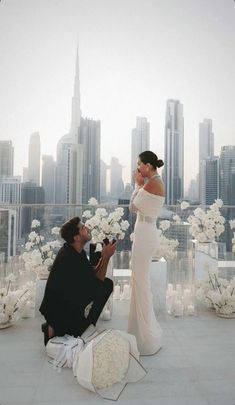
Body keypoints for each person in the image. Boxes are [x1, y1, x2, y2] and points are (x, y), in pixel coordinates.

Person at [40, 217, 116, 346]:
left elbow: (91, 274)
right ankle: (55, 329)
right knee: (102, 287)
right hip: (61, 314)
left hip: (67, 306)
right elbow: (96, 286)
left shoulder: (74, 250)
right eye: (82, 228)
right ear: (76, 237)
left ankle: (70, 326)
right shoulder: (70, 258)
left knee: (107, 284)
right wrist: (107, 257)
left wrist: (103, 256)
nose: (86, 228)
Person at [128, 150, 165, 355]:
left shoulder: (152, 182)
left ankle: (146, 337)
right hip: (144, 232)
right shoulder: (153, 181)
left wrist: (137, 184)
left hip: (145, 234)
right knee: (139, 279)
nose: (137, 168)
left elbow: (133, 207)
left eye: (139, 164)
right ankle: (139, 330)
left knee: (141, 281)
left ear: (148, 166)